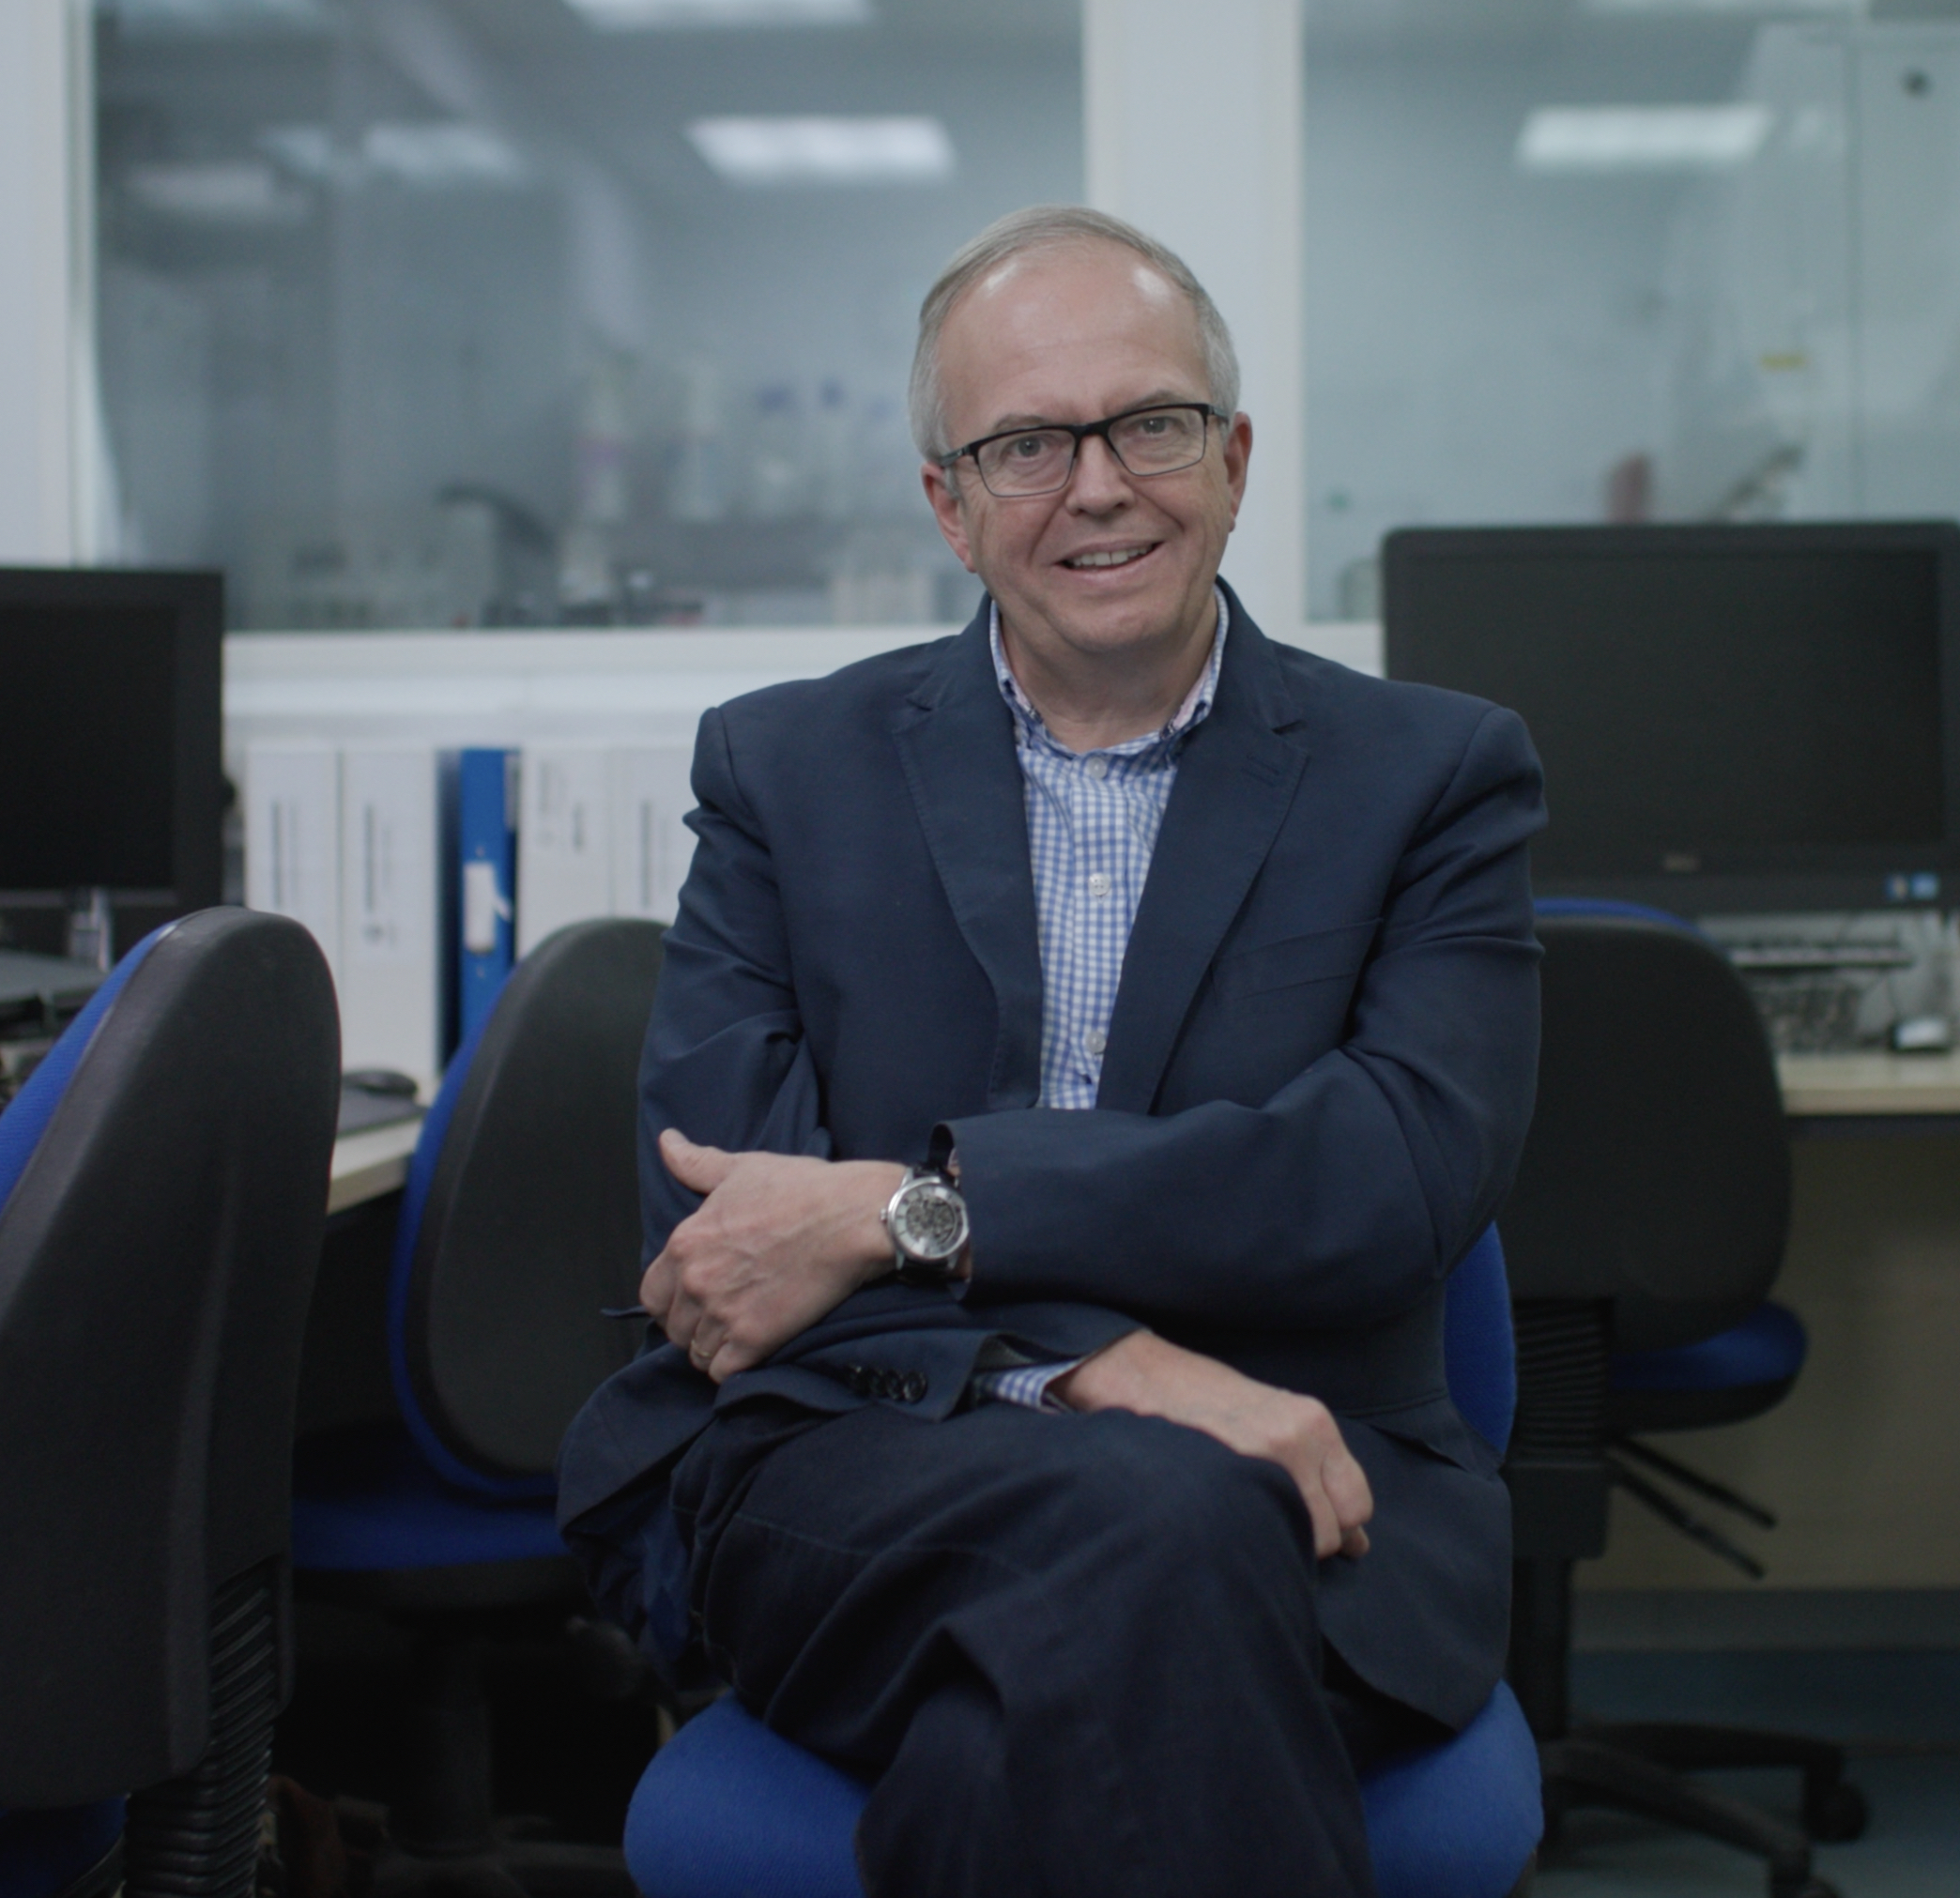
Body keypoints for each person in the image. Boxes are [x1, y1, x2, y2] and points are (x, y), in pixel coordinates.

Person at [557, 204, 1544, 1897]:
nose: (1097, 485)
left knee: (1069, 1661)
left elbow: (1387, 1178)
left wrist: (905, 1208)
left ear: (1232, 458)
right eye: (1026, 443)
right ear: (948, 503)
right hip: (858, 1470)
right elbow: (724, 1229)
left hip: (1322, 1493)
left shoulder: (1432, 776)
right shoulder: (785, 772)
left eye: (1148, 424)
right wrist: (1116, 1370)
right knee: (1165, 1515)